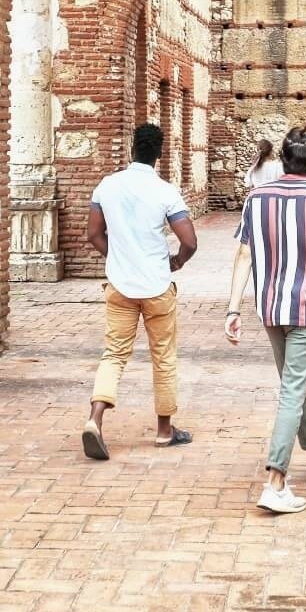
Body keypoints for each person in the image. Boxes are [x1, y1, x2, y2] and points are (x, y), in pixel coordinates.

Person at [224, 126, 306, 514]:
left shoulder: (256, 198)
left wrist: (233, 308)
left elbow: (244, 255)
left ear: (283, 158)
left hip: (269, 307)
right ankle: (275, 481)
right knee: (292, 390)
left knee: (290, 385)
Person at [82, 122, 198, 460]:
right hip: (157, 286)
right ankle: (164, 432)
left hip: (119, 284)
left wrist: (119, 257)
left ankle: (95, 419)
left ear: (132, 148)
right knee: (163, 357)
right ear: (158, 154)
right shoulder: (165, 191)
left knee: (114, 354)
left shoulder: (107, 185)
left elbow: (93, 234)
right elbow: (189, 241)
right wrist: (176, 261)